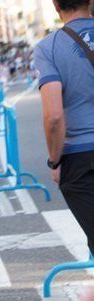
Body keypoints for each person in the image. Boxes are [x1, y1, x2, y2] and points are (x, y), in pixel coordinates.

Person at [35, 0, 94, 255]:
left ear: (56, 6)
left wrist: (54, 161)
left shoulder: (48, 48)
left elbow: (54, 117)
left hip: (80, 158)